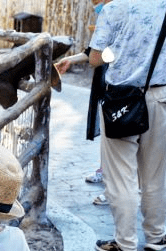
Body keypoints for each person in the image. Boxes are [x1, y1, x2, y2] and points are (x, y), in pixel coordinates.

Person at [89, 0, 166, 251]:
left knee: (120, 176)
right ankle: (156, 236)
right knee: (156, 173)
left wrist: (117, 53)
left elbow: (96, 59)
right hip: (159, 96)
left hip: (121, 100)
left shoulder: (115, 8)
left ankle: (125, 244)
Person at [55, 0, 113, 205]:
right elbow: (91, 52)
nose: (95, 6)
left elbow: (97, 57)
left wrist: (98, 55)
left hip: (118, 86)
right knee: (109, 135)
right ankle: (106, 171)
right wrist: (71, 60)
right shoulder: (107, 16)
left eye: (98, 2)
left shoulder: (118, 15)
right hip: (104, 84)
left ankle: (115, 189)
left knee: (121, 141)